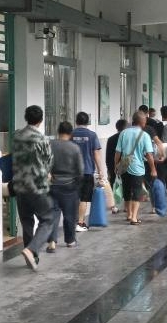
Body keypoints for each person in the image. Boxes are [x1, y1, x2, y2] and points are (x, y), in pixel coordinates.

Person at [12, 105, 54, 271]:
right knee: (48, 219)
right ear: (41, 120)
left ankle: (31, 257)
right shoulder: (42, 139)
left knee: (27, 222)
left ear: (26, 118)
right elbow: (48, 162)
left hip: (19, 186)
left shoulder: (16, 136)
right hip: (37, 186)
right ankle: (31, 250)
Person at [115, 111, 157, 225]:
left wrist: (116, 165)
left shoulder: (123, 133)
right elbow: (149, 155)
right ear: (143, 122)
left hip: (124, 166)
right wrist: (153, 169)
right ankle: (134, 218)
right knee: (137, 192)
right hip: (137, 168)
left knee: (127, 191)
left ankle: (129, 214)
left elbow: (118, 152)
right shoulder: (144, 135)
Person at [48, 121, 83, 251]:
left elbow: (45, 163)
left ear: (58, 131)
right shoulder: (74, 148)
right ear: (70, 133)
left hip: (52, 184)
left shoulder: (50, 145)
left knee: (53, 213)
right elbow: (80, 170)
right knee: (69, 214)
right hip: (69, 185)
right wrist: (77, 184)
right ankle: (70, 240)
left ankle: (52, 241)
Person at [72, 112, 104, 232]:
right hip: (87, 171)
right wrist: (100, 170)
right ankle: (80, 222)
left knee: (73, 197)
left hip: (72, 172)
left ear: (76, 121)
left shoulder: (71, 134)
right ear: (88, 122)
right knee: (84, 198)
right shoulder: (92, 135)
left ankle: (71, 221)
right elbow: (96, 154)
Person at [105, 119, 127, 190]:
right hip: (126, 167)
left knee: (114, 187)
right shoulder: (127, 139)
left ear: (116, 127)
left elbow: (108, 156)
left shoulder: (111, 139)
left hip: (113, 167)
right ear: (126, 127)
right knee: (126, 189)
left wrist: (108, 169)